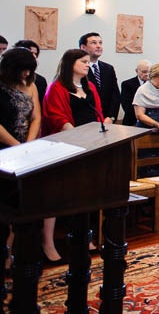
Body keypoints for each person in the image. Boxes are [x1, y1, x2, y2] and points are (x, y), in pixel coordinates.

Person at [41, 49, 104, 263]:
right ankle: (47, 242)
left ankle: (83, 236)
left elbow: (98, 113)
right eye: (83, 61)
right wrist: (79, 137)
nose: (88, 65)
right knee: (55, 197)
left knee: (85, 195)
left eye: (88, 62)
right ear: (71, 64)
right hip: (65, 147)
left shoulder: (90, 87)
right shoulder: (56, 88)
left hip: (90, 147)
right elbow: (57, 117)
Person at [0, 47, 41, 146]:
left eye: (30, 70)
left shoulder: (30, 86)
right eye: (24, 70)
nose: (27, 73)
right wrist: (16, 145)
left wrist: (28, 143)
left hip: (25, 143)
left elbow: (36, 117)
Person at [79, 32, 119, 122]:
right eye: (94, 43)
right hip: (87, 121)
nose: (98, 46)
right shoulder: (78, 69)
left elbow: (115, 95)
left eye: (100, 43)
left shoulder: (109, 68)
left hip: (107, 120)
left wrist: (111, 117)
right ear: (83, 47)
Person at [13, 39, 48, 106]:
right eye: (31, 53)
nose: (34, 56)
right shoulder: (5, 79)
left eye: (36, 54)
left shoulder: (40, 81)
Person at [120, 60, 150, 126]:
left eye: (149, 72)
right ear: (137, 71)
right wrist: (141, 116)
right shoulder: (127, 84)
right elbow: (126, 106)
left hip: (150, 122)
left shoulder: (153, 84)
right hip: (132, 122)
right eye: (144, 72)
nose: (147, 74)